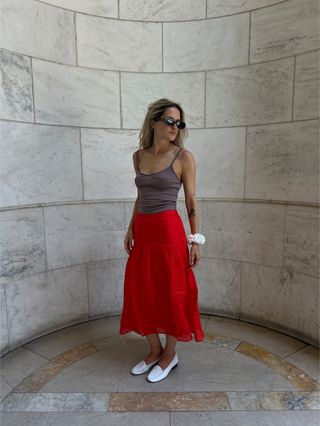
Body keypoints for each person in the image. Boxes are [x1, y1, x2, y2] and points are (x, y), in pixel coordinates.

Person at [119, 98, 206, 383]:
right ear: (154, 122)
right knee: (142, 288)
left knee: (172, 291)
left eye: (178, 123)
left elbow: (191, 200)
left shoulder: (184, 157)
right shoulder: (138, 156)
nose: (174, 127)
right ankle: (154, 349)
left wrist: (195, 240)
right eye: (169, 121)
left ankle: (170, 354)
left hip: (169, 231)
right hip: (144, 231)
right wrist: (131, 228)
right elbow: (141, 196)